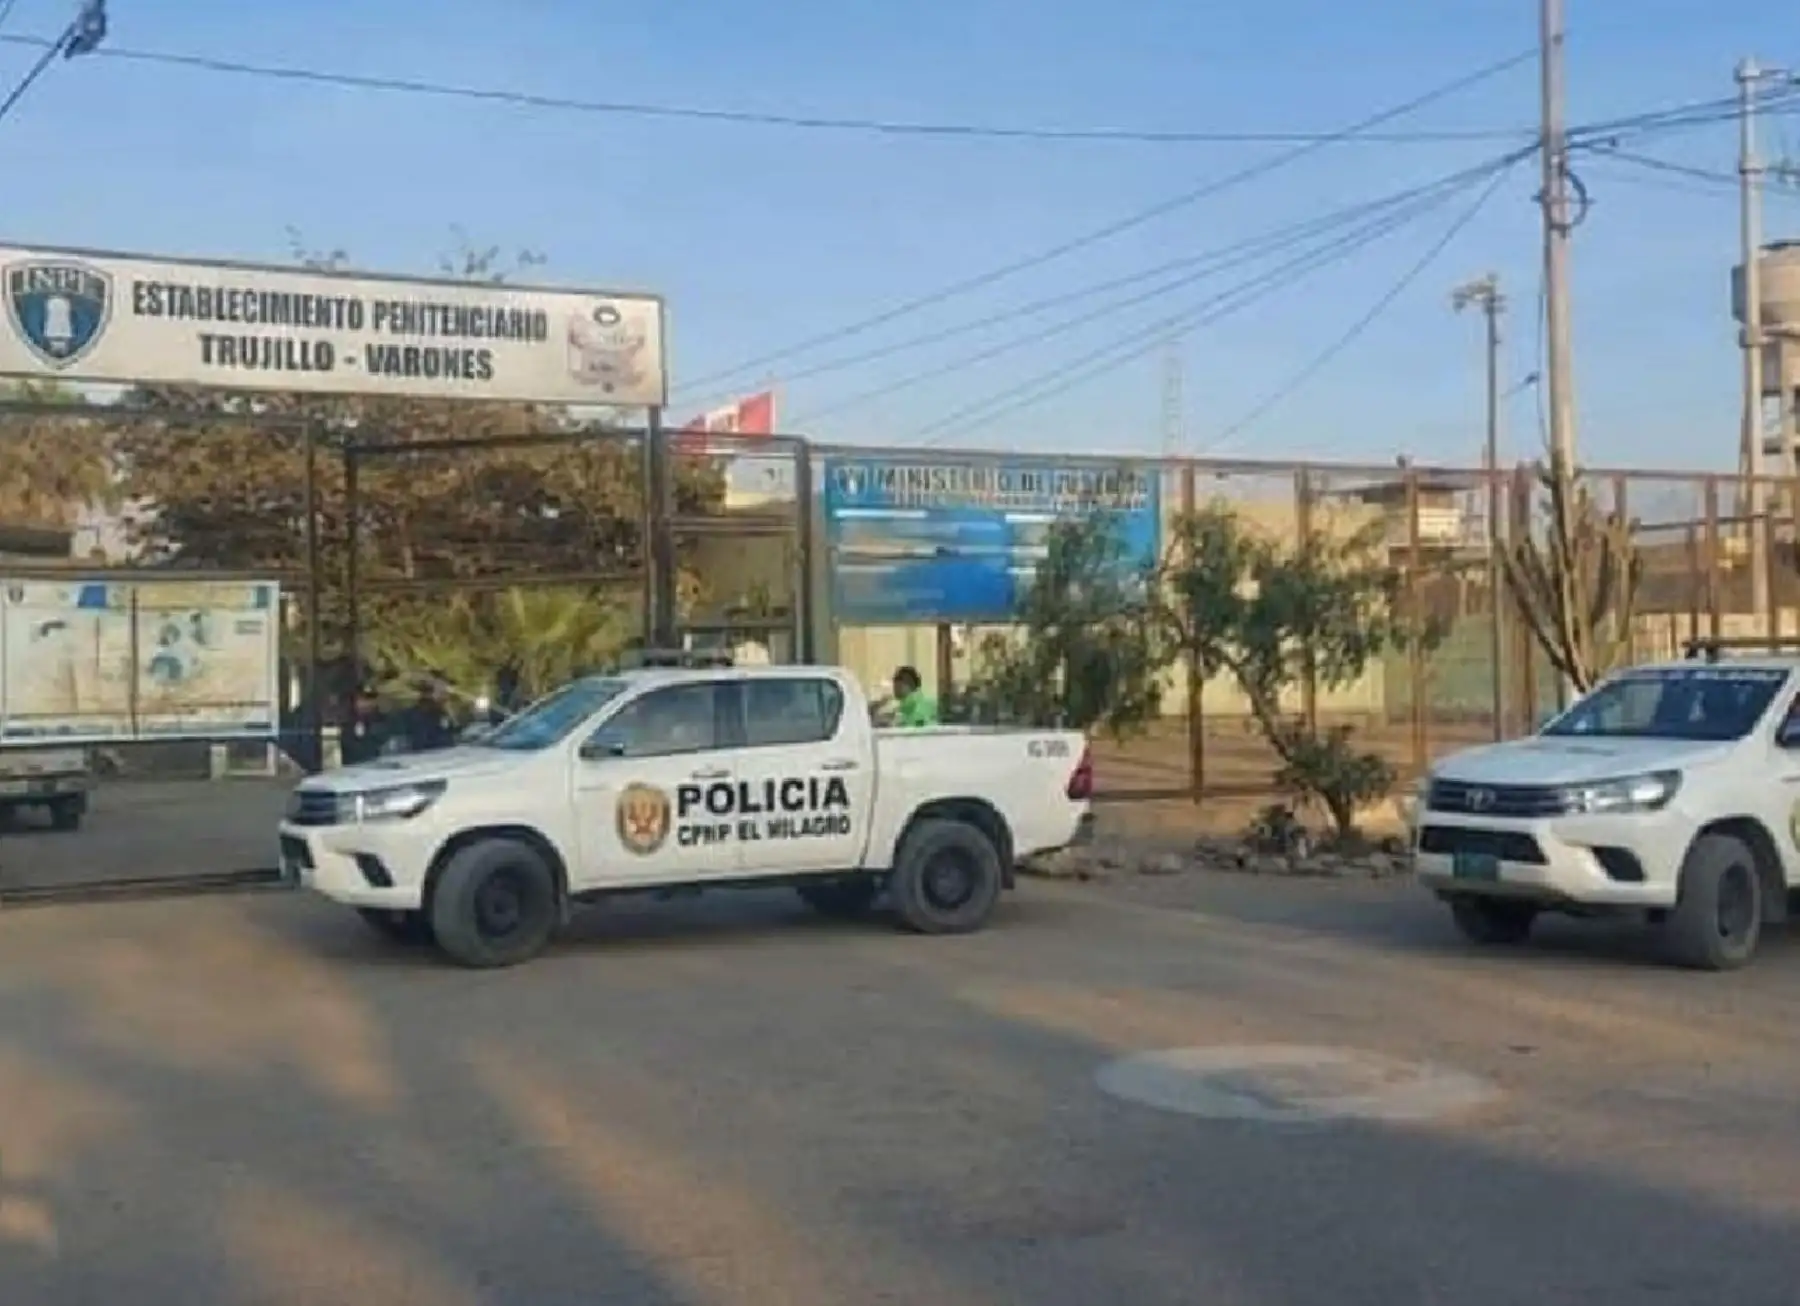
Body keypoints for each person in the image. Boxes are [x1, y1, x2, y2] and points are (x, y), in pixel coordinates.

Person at [400, 673, 458, 752]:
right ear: (428, 694)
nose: (446, 696)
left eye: (446, 692)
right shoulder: (419, 715)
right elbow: (420, 742)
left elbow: (454, 732)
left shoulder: (441, 712)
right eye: (441, 692)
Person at [339, 684, 391, 766]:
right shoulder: (347, 722)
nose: (366, 704)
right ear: (355, 701)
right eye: (362, 699)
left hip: (379, 767)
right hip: (353, 768)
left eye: (370, 700)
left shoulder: (382, 720)